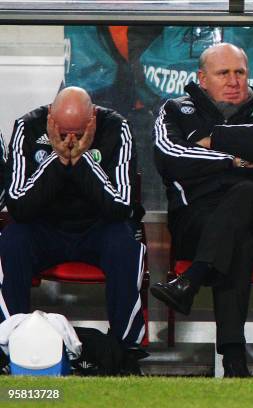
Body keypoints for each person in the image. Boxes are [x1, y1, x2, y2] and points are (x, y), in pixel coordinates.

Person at [150, 43, 253, 377]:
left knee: (245, 194)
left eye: (240, 72)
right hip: (198, 224)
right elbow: (168, 158)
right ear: (202, 78)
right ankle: (234, 361)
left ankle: (191, 280)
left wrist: (211, 140)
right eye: (223, 73)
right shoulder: (175, 109)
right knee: (237, 241)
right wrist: (230, 159)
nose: (234, 81)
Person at [64, 25, 253, 209]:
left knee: (242, 192)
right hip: (167, 105)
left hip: (243, 110)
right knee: (162, 195)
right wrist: (156, 103)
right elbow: (140, 37)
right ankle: (170, 254)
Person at [0, 87, 146, 355]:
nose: (69, 140)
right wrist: (57, 160)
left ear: (93, 118)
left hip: (99, 227)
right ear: (50, 120)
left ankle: (125, 349)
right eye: (62, 132)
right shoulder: (28, 126)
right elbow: (19, 205)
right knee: (12, 239)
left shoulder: (117, 127)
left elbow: (121, 205)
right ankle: (8, 344)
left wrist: (81, 161)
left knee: (125, 244)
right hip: (44, 228)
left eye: (78, 134)